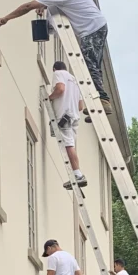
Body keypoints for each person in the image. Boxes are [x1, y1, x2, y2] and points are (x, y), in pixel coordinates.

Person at [0, 0, 112, 117]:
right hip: (96, 26)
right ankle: (98, 102)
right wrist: (44, 4)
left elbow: (28, 7)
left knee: (90, 65)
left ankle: (102, 100)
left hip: (92, 28)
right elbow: (59, 0)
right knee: (91, 64)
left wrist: (6, 18)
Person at [50, 61, 86, 189]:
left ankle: (77, 174)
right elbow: (81, 106)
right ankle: (77, 173)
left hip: (64, 116)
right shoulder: (75, 81)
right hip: (74, 116)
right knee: (71, 145)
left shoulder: (58, 73)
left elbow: (60, 88)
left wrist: (50, 97)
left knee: (68, 145)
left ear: (54, 69)